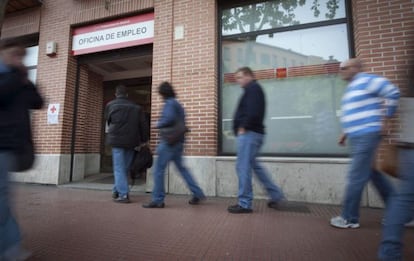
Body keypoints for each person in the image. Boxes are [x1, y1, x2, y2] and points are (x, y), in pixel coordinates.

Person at [330, 58, 400, 229]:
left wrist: (387, 119)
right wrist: (345, 133)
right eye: (340, 68)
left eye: (345, 68)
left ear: (356, 68)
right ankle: (401, 213)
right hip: (357, 135)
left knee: (356, 176)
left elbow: (393, 92)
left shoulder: (368, 80)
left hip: (367, 134)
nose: (342, 71)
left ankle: (349, 218)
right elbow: (354, 112)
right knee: (371, 173)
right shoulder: (351, 87)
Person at [0, 39, 43, 260]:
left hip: (9, 146)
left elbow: (37, 102)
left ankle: (11, 246)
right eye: (14, 54)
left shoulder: (18, 79)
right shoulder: (8, 78)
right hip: (4, 143)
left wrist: (28, 82)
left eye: (22, 56)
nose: (19, 59)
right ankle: (11, 245)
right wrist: (18, 77)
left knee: (3, 198)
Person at [228, 67, 284, 214]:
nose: (238, 81)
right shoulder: (252, 89)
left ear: (248, 76)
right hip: (254, 133)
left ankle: (245, 203)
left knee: (242, 167)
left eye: (239, 77)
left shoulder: (253, 89)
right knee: (255, 166)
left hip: (249, 134)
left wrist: (243, 127)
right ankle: (275, 194)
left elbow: (253, 111)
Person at [142, 82, 205, 208]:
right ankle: (197, 193)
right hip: (178, 141)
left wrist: (158, 123)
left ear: (163, 93)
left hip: (168, 142)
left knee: (158, 170)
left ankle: (158, 200)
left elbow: (169, 118)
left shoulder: (169, 103)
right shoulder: (178, 104)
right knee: (182, 169)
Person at [378, 66, 414, 260]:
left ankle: (389, 254)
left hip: (409, 144)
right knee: (403, 201)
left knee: (402, 201)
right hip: (409, 145)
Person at [105, 85, 148, 203]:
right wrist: (144, 140)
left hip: (117, 141)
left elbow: (108, 121)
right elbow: (143, 125)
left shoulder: (110, 105)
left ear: (116, 94)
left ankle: (123, 195)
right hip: (132, 141)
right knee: (124, 168)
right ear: (127, 95)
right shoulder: (136, 107)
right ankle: (116, 190)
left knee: (119, 168)